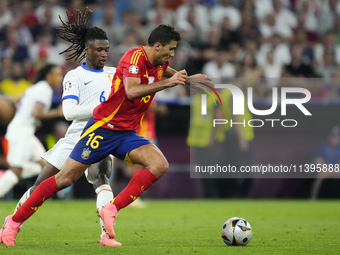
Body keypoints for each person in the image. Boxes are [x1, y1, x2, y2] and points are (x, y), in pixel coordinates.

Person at [0, 24, 210, 246]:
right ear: (157, 46)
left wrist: (187, 80)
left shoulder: (158, 61)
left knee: (158, 164)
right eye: (171, 49)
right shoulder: (129, 59)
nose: (173, 54)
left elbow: (164, 69)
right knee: (63, 179)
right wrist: (168, 83)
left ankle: (111, 210)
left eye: (106, 50)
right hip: (101, 128)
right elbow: (130, 91)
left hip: (126, 132)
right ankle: (13, 222)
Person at [0, 8, 120, 247]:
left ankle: (106, 236)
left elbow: (146, 74)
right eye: (99, 49)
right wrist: (101, 108)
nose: (105, 54)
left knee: (102, 177)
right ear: (87, 49)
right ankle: (12, 222)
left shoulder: (115, 73)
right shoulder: (73, 76)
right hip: (75, 136)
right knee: (40, 185)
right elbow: (68, 112)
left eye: (107, 49)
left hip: (102, 136)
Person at [0, 64, 63, 198]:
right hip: (21, 133)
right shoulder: (45, 90)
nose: (60, 78)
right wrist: (57, 113)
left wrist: (24, 116)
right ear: (49, 76)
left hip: (25, 131)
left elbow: (17, 100)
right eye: (57, 74)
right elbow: (36, 113)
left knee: (46, 166)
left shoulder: (35, 87)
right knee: (16, 172)